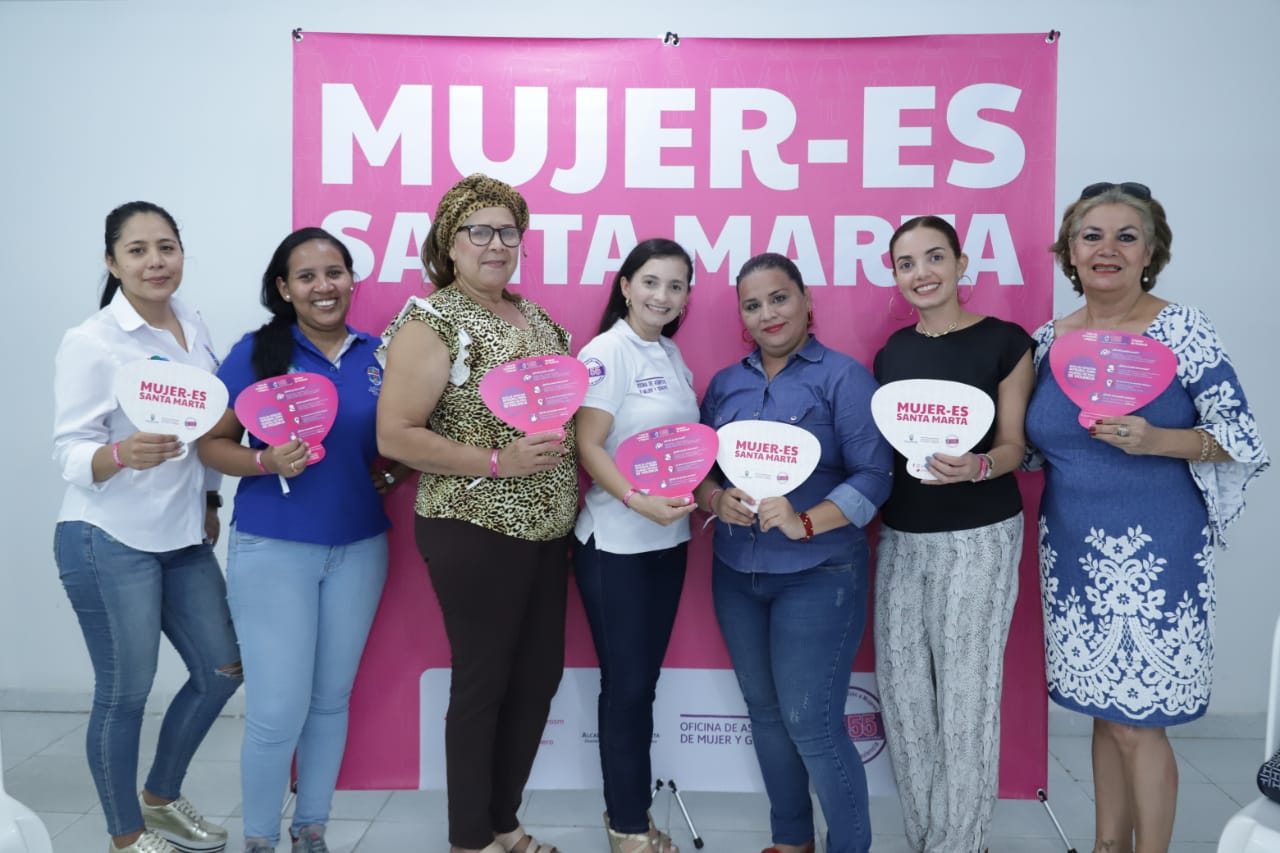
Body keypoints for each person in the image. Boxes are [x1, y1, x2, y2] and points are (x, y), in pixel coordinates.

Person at [1025, 182, 1269, 853]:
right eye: (1091, 235)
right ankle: (1108, 845)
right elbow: (1036, 446)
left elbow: (1241, 437)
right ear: (1069, 251)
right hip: (1072, 549)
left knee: (1141, 721)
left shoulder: (1182, 330)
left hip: (1156, 550)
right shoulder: (1050, 340)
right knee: (1105, 716)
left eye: (1125, 236)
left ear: (1151, 251)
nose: (1107, 249)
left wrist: (1158, 438)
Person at [376, 174, 576, 853]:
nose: (496, 244)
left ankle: (503, 822)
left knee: (537, 678)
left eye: (508, 231)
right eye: (478, 231)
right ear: (449, 243)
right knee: (485, 682)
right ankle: (470, 840)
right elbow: (395, 434)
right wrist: (497, 463)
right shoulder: (433, 322)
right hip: (474, 527)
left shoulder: (539, 317)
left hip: (547, 531)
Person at [197, 228, 403, 853]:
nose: (324, 287)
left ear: (350, 280)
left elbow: (398, 440)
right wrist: (265, 464)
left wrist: (390, 473)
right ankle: (260, 839)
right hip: (274, 548)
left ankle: (310, 830)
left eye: (334, 272)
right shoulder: (258, 352)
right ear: (284, 289)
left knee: (329, 701)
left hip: (360, 548)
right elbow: (211, 444)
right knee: (275, 711)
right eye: (307, 276)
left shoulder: (378, 355)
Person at [52, 201, 241, 853]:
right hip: (107, 538)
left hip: (182, 534)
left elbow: (212, 424)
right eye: (137, 250)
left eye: (167, 247)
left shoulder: (194, 321)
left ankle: (159, 799)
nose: (155, 261)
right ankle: (126, 837)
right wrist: (118, 453)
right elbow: (68, 449)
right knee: (126, 690)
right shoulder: (94, 341)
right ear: (112, 262)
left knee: (222, 668)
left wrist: (211, 503)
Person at [691, 253, 893, 853]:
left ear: (806, 301)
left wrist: (806, 522)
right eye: (752, 305)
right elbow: (700, 472)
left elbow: (875, 477)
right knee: (766, 713)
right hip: (735, 574)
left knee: (813, 723)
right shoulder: (727, 385)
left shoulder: (844, 378)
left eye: (779, 298)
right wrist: (713, 499)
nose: (767, 314)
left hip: (820, 573)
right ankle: (791, 840)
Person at [871, 216, 1034, 852]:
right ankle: (925, 837)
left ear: (962, 264)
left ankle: (960, 844)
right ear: (895, 276)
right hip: (902, 535)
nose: (922, 273)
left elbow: (1016, 445)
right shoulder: (892, 353)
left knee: (966, 701)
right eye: (906, 263)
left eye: (934, 257)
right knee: (906, 695)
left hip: (980, 534)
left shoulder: (1005, 342)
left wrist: (981, 464)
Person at [573, 239, 699, 853]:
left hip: (667, 541)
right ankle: (626, 826)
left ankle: (632, 813)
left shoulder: (671, 353)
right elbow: (588, 445)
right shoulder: (607, 352)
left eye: (676, 286)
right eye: (651, 282)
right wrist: (635, 501)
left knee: (641, 685)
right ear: (625, 286)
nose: (662, 297)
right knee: (625, 687)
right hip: (615, 545)